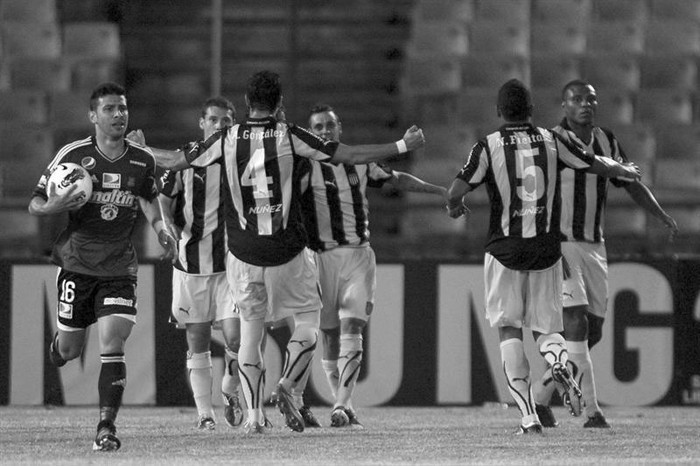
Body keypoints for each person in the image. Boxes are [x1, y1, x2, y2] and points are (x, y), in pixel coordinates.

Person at [137, 70, 425, 434]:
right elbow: (347, 154)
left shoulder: (226, 137)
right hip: (287, 252)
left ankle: (255, 417)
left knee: (251, 335)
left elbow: (174, 160)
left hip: (243, 255)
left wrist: (138, 150)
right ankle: (289, 384)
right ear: (279, 104)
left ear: (246, 103)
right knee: (308, 322)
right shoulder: (290, 136)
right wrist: (400, 146)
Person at [445, 79, 641, 434]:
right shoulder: (553, 140)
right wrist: (623, 170)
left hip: (504, 251)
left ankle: (528, 417)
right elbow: (593, 162)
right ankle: (559, 361)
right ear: (532, 110)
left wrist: (455, 206)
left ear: (499, 112)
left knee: (509, 330)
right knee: (548, 331)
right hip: (548, 251)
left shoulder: (488, 145)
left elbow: (456, 189)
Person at [28, 82, 177, 451]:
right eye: (110, 109)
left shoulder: (142, 158)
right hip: (77, 265)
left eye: (123, 109)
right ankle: (59, 347)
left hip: (119, 269)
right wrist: (52, 206)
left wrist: (161, 228)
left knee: (113, 342)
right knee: (69, 351)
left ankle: (105, 428)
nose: (118, 115)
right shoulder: (74, 155)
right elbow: (35, 202)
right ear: (93, 116)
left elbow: (148, 196)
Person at [532, 80, 679, 429]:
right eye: (577, 99)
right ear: (563, 105)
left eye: (591, 100)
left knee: (592, 331)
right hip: (561, 243)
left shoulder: (606, 140)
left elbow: (629, 181)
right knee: (577, 320)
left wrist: (659, 215)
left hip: (595, 246)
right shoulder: (552, 142)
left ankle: (539, 397)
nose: (585, 105)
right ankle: (593, 412)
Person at [297, 104, 446, 428]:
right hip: (320, 258)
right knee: (329, 336)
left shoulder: (358, 163)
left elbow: (396, 179)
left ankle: (340, 404)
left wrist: (437, 191)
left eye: (329, 126)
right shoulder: (305, 167)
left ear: (340, 129)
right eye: (317, 127)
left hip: (358, 256)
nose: (324, 132)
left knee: (352, 327)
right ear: (310, 133)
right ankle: (344, 404)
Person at [130, 97, 245, 430]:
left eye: (227, 121)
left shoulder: (240, 157)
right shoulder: (187, 159)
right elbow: (162, 202)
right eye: (214, 120)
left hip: (230, 266)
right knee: (198, 341)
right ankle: (205, 415)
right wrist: (169, 230)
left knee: (237, 339)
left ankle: (230, 387)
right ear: (202, 123)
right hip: (190, 265)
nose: (220, 125)